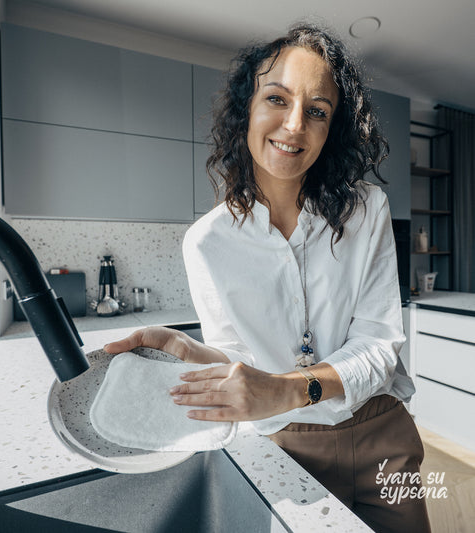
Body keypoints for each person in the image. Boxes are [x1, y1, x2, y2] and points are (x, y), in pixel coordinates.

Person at [105, 23, 431, 533]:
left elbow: (380, 342)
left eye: (318, 111)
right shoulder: (206, 243)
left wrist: (283, 389)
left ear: (332, 131)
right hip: (286, 446)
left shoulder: (368, 210)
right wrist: (198, 357)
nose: (295, 124)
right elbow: (246, 368)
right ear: (246, 112)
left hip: (383, 434)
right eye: (277, 98)